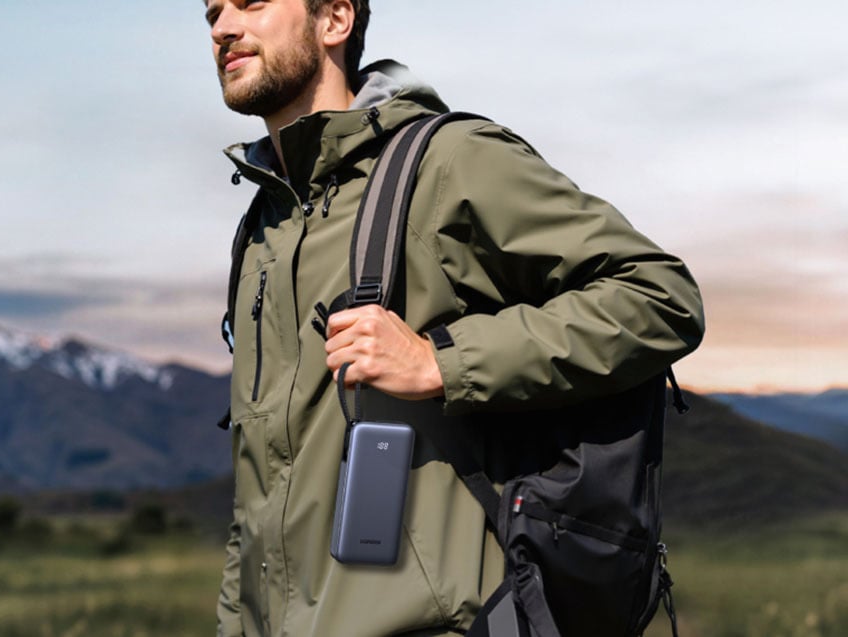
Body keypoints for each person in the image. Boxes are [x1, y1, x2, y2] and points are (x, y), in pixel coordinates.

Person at [204, 1, 705, 635]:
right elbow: (256, 497)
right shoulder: (262, 230)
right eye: (211, 12)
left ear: (335, 20)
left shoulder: (448, 162)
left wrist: (441, 361)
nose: (223, 27)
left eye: (250, 3)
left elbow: (660, 296)